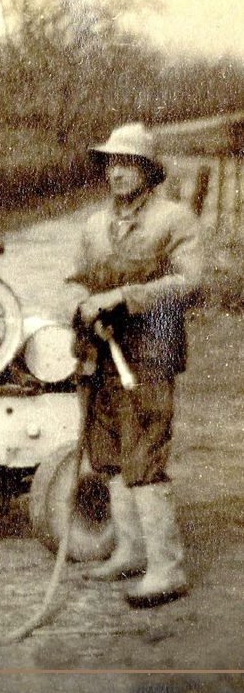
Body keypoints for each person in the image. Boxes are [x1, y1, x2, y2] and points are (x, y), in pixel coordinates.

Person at [70, 122, 201, 608]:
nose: (117, 172)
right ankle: (131, 550)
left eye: (129, 163)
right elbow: (78, 279)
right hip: (102, 351)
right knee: (107, 451)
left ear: (148, 171)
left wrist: (125, 297)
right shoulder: (93, 225)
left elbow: (189, 283)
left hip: (151, 347)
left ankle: (166, 568)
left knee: (144, 448)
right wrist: (80, 307)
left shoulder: (174, 219)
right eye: (111, 162)